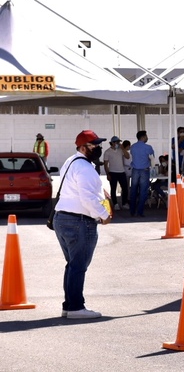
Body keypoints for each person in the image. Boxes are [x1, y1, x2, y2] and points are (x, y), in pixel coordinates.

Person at [53, 130, 112, 319]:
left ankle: (69, 306)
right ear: (83, 147)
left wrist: (100, 191)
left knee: (72, 265)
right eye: (94, 145)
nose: (98, 148)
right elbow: (88, 198)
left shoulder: (71, 161)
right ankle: (76, 308)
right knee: (78, 266)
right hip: (79, 221)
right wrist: (104, 215)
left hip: (62, 217)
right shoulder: (86, 168)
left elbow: (76, 187)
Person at [128, 130, 155, 217]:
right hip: (144, 170)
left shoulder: (132, 147)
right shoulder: (148, 147)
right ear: (143, 137)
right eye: (146, 136)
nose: (147, 138)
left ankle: (132, 211)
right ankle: (140, 211)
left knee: (134, 191)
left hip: (135, 170)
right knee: (143, 191)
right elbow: (152, 159)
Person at [101, 136, 129, 211]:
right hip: (113, 172)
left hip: (121, 172)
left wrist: (123, 149)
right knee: (113, 188)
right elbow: (105, 164)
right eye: (116, 142)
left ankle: (124, 203)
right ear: (112, 143)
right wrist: (108, 174)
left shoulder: (120, 150)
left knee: (125, 188)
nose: (118, 144)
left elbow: (127, 156)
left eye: (119, 142)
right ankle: (115, 204)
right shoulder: (107, 152)